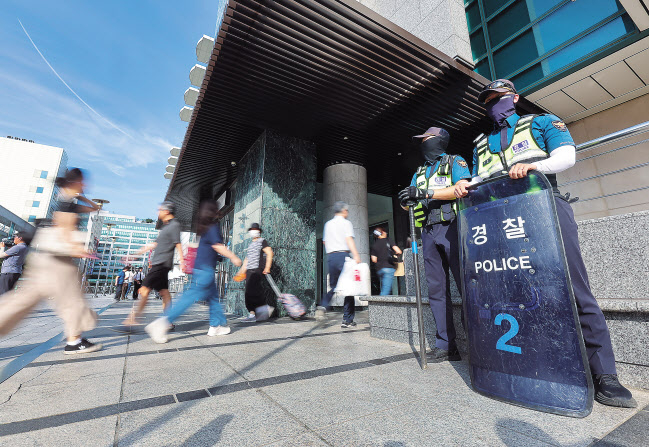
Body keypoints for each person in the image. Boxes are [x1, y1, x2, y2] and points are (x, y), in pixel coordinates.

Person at [454, 79, 636, 408]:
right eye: (489, 100)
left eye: (500, 97)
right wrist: (467, 183)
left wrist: (533, 165)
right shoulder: (482, 143)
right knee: (513, 291)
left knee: (573, 287)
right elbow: (482, 176)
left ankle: (605, 375)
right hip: (501, 222)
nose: (495, 103)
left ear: (515, 97)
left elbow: (566, 156)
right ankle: (532, 362)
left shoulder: (541, 123)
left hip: (545, 209)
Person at [0, 168, 102, 354]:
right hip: (58, 262)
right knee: (73, 301)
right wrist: (77, 248)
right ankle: (74, 341)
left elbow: (95, 208)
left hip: (45, 259)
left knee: (22, 302)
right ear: (77, 181)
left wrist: (82, 196)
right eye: (82, 181)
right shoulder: (67, 202)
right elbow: (64, 228)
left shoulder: (69, 200)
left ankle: (74, 340)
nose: (85, 184)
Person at [398, 127, 471, 362]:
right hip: (427, 231)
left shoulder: (454, 161)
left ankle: (478, 339)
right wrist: (405, 201)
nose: (423, 144)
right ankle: (446, 345)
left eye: (426, 139)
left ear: (439, 140)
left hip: (453, 226)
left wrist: (425, 193)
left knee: (466, 285)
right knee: (437, 290)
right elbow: (412, 198)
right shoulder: (419, 171)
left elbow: (462, 189)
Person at [145, 200, 242, 343]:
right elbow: (218, 246)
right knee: (190, 296)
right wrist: (234, 257)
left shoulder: (203, 228)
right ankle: (163, 322)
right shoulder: (213, 226)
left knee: (214, 298)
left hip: (200, 268)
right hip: (206, 269)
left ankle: (216, 326)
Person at [122, 202, 184, 326]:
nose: (158, 212)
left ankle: (132, 320)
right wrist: (134, 255)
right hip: (160, 264)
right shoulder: (166, 227)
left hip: (161, 263)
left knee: (144, 290)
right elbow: (153, 244)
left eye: (159, 210)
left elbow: (178, 243)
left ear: (166, 211)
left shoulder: (174, 225)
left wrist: (183, 261)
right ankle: (168, 321)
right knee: (165, 293)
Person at [319, 201, 361, 328]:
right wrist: (356, 255)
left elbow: (325, 242)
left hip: (331, 256)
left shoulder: (328, 224)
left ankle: (323, 305)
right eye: (347, 211)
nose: (347, 213)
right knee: (349, 288)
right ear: (343, 211)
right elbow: (349, 239)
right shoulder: (346, 223)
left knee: (334, 286)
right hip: (343, 256)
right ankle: (347, 320)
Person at [234, 223, 274, 322]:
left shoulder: (262, 241)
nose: (254, 231)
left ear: (259, 231)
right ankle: (255, 312)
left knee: (252, 292)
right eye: (252, 229)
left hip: (257, 269)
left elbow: (269, 253)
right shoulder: (251, 244)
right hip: (249, 271)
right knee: (249, 292)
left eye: (255, 229)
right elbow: (247, 260)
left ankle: (258, 312)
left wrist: (267, 267)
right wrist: (241, 272)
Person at [370, 227, 401, 296]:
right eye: (385, 232)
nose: (386, 233)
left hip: (379, 269)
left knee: (384, 287)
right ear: (383, 233)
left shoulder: (374, 245)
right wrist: (395, 256)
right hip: (388, 267)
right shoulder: (388, 240)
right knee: (385, 291)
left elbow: (374, 260)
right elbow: (398, 251)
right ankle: (379, 306)